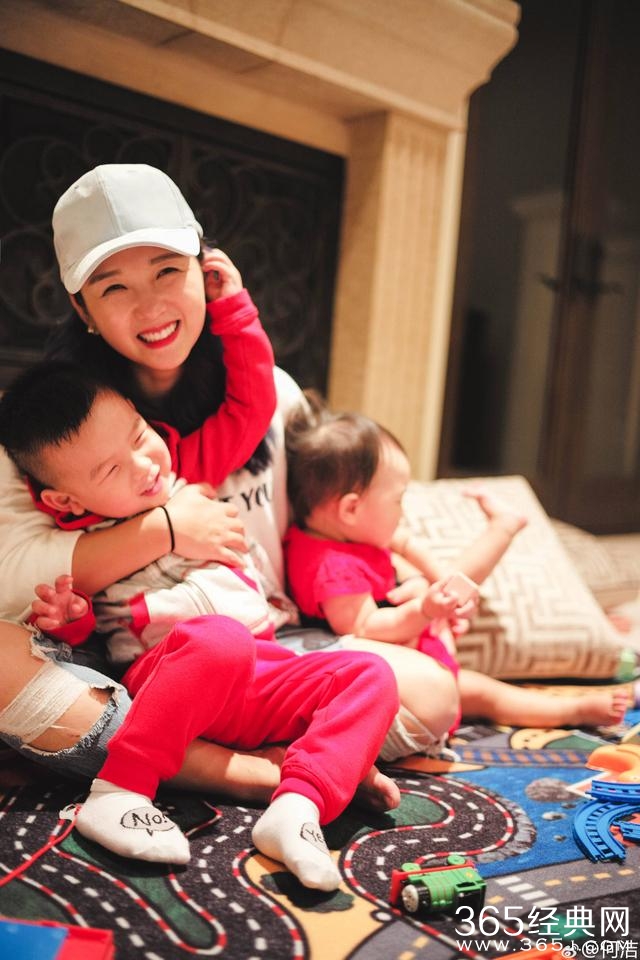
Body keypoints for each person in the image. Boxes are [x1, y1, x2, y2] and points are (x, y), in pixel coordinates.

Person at [0, 163, 454, 798]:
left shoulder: (250, 407)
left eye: (167, 271)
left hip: (260, 648)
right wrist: (166, 530)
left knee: (431, 692)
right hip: (131, 666)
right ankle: (253, 771)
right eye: (114, 287)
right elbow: (15, 580)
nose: (151, 306)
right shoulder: (44, 434)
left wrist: (405, 582)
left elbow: (327, 512)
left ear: (204, 270)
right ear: (82, 309)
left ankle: (210, 753)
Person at [283, 399, 629, 731]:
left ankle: (503, 528)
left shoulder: (348, 531)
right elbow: (365, 627)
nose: (404, 510)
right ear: (350, 509)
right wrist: (426, 608)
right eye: (399, 499)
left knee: (460, 593)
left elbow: (406, 543)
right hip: (406, 665)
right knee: (490, 696)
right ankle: (572, 710)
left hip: (419, 632)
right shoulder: (331, 568)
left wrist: (439, 584)